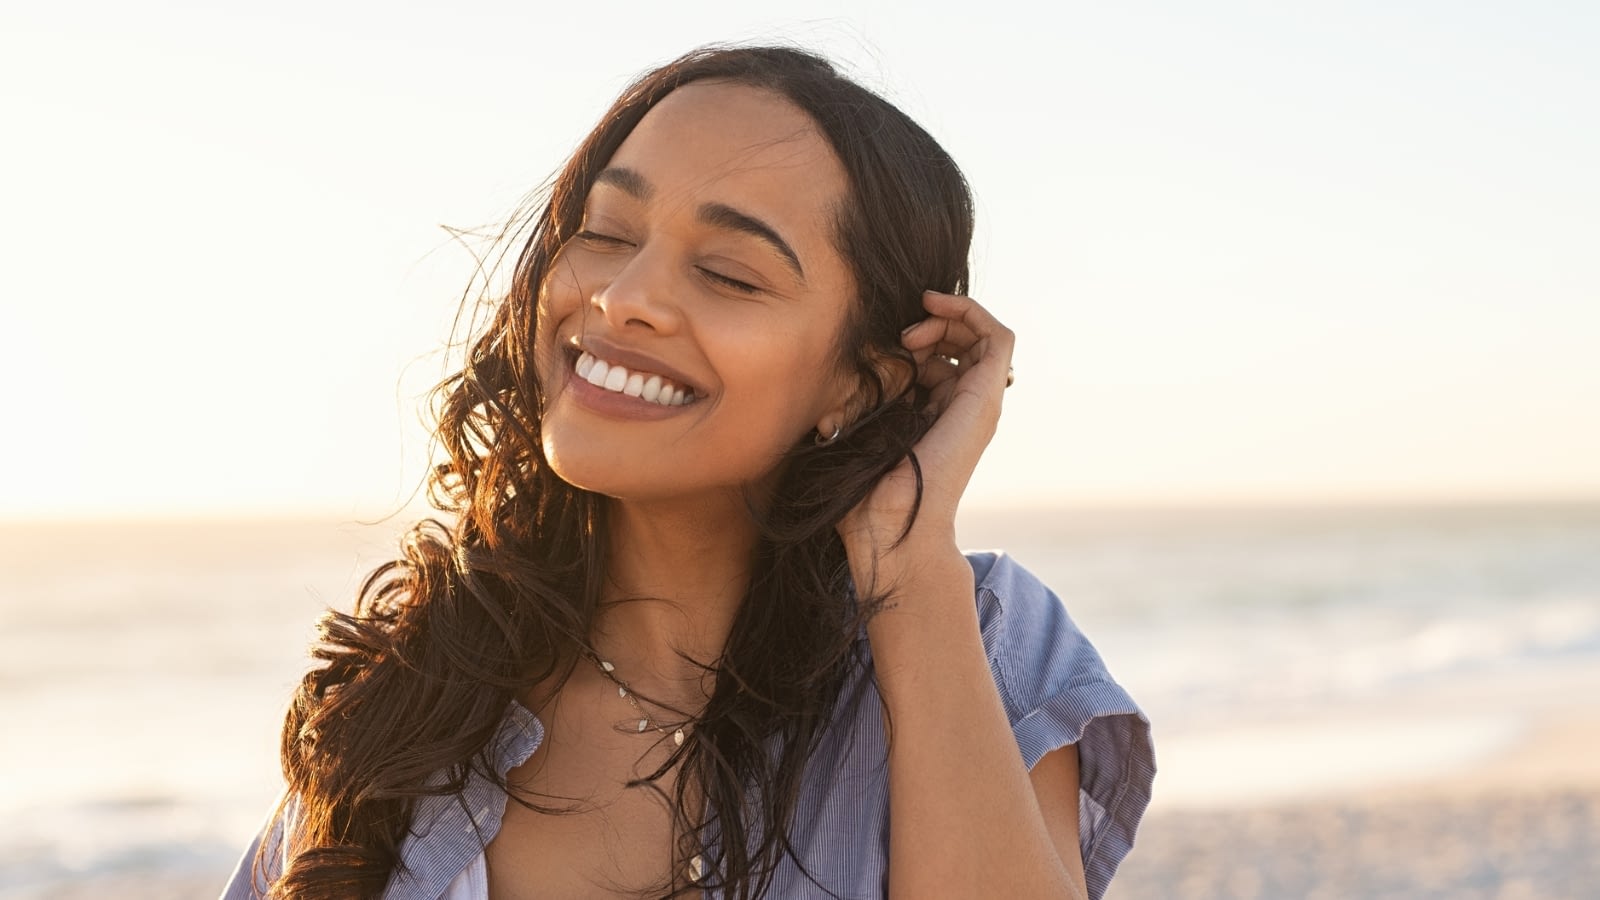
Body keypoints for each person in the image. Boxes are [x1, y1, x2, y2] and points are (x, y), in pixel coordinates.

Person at [220, 44, 1154, 900]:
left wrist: (907, 558)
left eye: (729, 275)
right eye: (607, 233)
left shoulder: (979, 638)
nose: (623, 301)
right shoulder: (408, 701)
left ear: (858, 385)